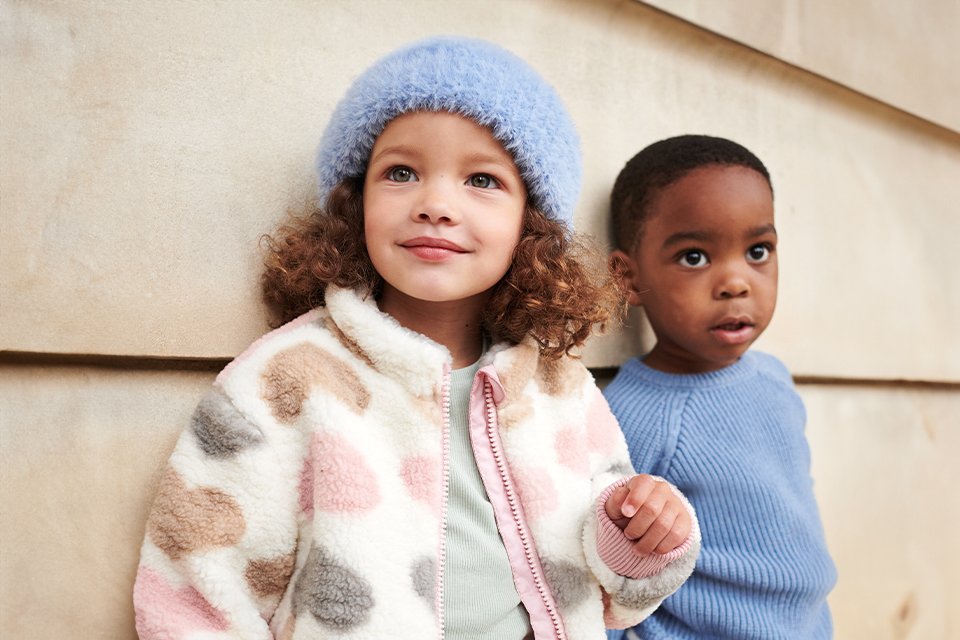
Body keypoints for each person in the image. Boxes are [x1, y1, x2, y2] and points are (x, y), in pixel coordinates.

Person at [132, 37, 700, 640]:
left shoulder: (560, 389)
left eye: (481, 179)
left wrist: (641, 532)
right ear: (356, 204)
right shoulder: (287, 378)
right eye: (401, 172)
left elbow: (618, 597)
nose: (435, 204)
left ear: (529, 226)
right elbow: (195, 587)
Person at [603, 135, 837, 640]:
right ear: (629, 279)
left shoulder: (773, 378)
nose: (736, 282)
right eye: (694, 257)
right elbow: (603, 583)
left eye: (758, 251)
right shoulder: (631, 417)